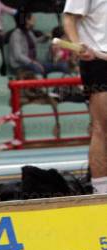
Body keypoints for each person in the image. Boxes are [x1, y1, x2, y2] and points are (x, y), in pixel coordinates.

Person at [63, 0, 107, 194]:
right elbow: (69, 17)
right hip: (98, 59)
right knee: (103, 127)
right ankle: (102, 191)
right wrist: (76, 46)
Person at [8, 10, 69, 76]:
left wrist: (45, 37)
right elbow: (18, 56)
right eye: (32, 18)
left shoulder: (28, 32)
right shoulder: (16, 35)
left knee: (64, 66)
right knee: (38, 69)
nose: (34, 19)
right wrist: (33, 62)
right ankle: (43, 85)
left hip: (34, 63)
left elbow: (35, 41)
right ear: (27, 20)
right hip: (21, 66)